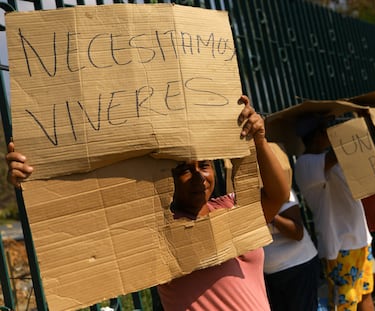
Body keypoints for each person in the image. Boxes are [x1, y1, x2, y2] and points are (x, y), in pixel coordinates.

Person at [6, 95, 290, 311]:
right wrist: (33, 182)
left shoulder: (231, 207)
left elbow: (277, 195)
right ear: (167, 178)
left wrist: (260, 141)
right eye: (184, 170)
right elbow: (79, 228)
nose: (198, 177)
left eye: (204, 166)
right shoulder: (155, 233)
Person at [294, 113, 375, 311]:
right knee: (345, 304)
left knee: (365, 293)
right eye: (328, 129)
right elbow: (338, 153)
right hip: (341, 246)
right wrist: (358, 125)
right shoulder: (305, 163)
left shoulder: (330, 158)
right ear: (318, 134)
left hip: (361, 240)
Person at [263, 189, 319, 311]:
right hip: (270, 275)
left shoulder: (280, 189)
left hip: (298, 268)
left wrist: (268, 214)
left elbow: (297, 233)